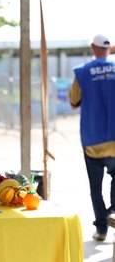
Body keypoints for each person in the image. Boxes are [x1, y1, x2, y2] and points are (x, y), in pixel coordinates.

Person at [69, 34, 115, 241]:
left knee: (95, 189)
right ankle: (113, 209)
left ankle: (102, 228)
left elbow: (73, 101)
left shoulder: (82, 72)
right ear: (109, 49)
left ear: (92, 47)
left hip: (92, 140)